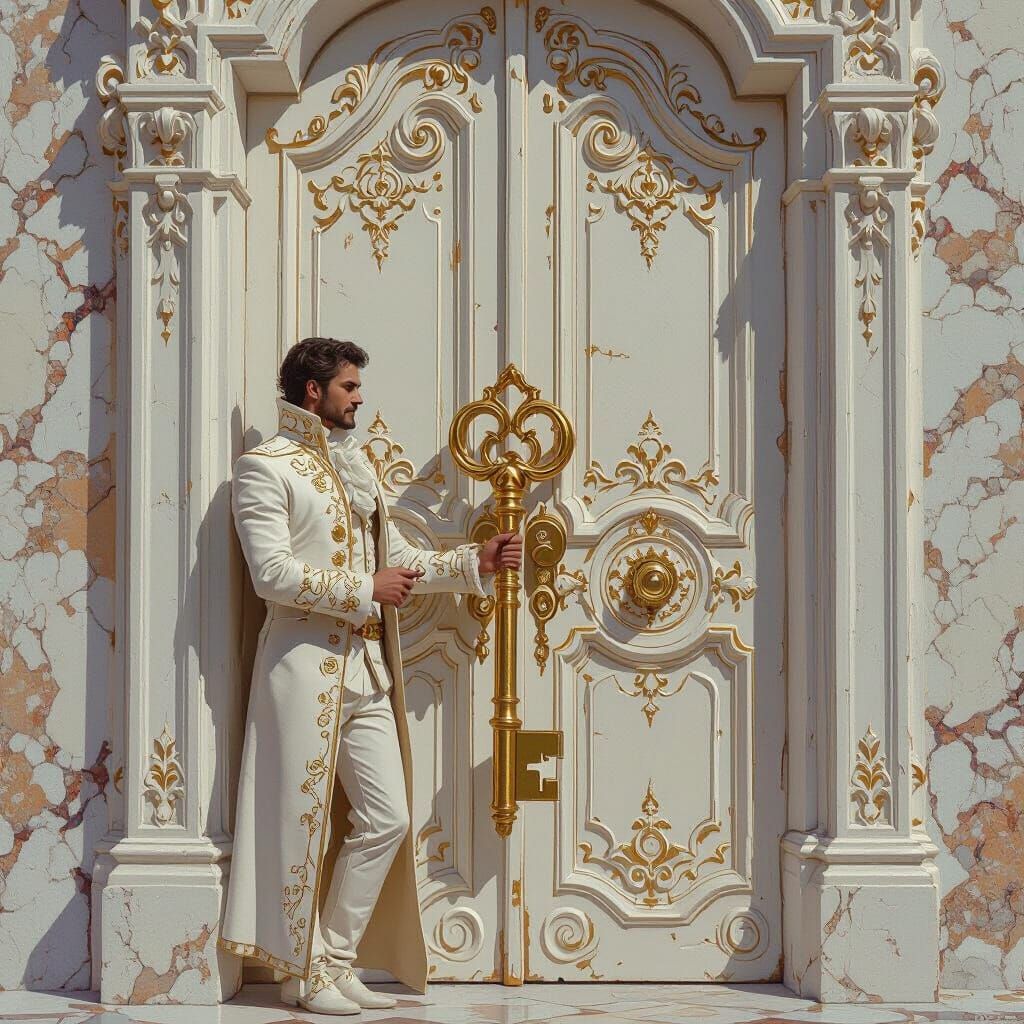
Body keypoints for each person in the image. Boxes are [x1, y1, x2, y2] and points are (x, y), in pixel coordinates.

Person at [218, 337, 522, 1014]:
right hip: (301, 673)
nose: (359, 397)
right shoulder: (264, 469)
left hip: (367, 672)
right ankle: (299, 976)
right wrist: (363, 588)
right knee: (301, 824)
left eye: (357, 386)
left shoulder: (354, 468)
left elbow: (398, 560)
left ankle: (331, 957)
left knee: (387, 818)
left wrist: (476, 562)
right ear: (312, 392)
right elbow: (271, 576)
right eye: (349, 387)